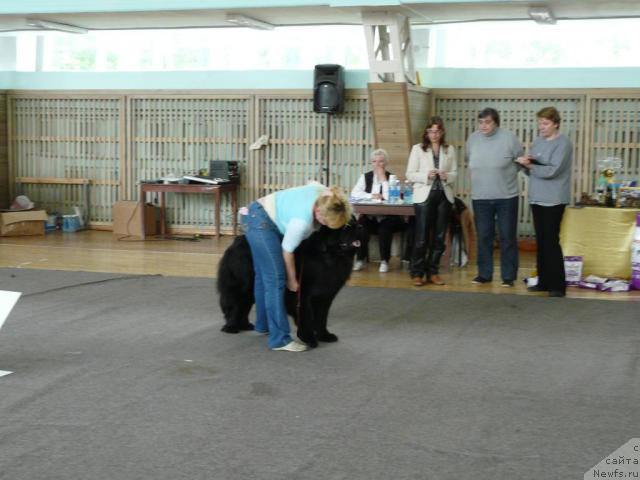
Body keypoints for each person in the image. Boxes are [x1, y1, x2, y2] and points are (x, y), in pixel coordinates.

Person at [243, 183, 352, 352]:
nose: (326, 226)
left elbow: (311, 182)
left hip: (258, 211)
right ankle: (279, 340)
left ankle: (263, 325)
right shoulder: (301, 222)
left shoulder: (325, 195)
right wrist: (292, 281)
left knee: (263, 276)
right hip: (260, 222)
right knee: (276, 279)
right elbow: (288, 252)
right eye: (326, 222)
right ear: (318, 213)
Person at [516, 106, 573, 298]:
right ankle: (543, 281)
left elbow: (551, 171)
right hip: (537, 197)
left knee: (551, 241)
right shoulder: (538, 141)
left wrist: (530, 166)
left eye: (546, 123)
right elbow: (531, 172)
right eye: (540, 122)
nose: (541, 126)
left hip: (554, 199)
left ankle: (558, 285)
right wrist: (523, 164)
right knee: (541, 241)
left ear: (556, 124)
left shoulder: (563, 143)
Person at [466, 107, 524, 287]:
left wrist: (507, 175)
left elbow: (521, 161)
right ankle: (484, 273)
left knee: (507, 236)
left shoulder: (509, 138)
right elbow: (469, 159)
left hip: (506, 196)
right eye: (481, 122)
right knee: (484, 236)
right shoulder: (472, 139)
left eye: (488, 122)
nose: (483, 125)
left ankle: (508, 276)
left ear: (496, 123)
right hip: (480, 197)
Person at [405, 116, 458, 286]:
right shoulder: (418, 149)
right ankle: (416, 272)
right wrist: (426, 175)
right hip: (424, 196)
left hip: (444, 196)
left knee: (439, 237)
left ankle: (433, 271)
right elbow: (410, 174)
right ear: (426, 132)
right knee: (421, 237)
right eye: (431, 131)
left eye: (437, 131)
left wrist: (446, 176)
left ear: (442, 132)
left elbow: (455, 173)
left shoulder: (449, 149)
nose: (434, 135)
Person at [350, 149, 405, 273]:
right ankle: (359, 259)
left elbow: (390, 198)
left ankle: (384, 261)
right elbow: (354, 194)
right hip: (369, 217)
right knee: (360, 228)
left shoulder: (392, 178)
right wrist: (371, 196)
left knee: (385, 229)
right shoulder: (365, 177)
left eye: (380, 161)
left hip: (387, 217)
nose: (377, 164)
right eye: (374, 161)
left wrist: (383, 179)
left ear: (385, 163)